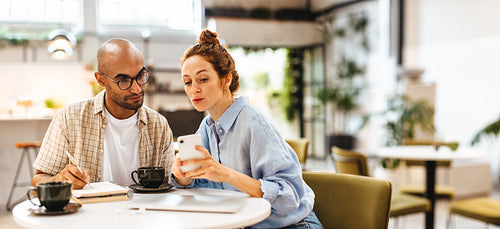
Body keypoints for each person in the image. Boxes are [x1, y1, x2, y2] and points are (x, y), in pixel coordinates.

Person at [170, 29, 323, 229]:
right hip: (246, 223)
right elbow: (201, 185)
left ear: (226, 79)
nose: (193, 89)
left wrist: (225, 174)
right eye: (187, 82)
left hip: (294, 224)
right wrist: (184, 177)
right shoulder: (207, 127)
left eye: (203, 79)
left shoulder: (254, 122)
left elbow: (288, 196)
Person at [32, 38, 175, 189]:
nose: (137, 89)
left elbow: (170, 185)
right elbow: (39, 179)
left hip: (142, 212)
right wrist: (59, 180)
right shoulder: (70, 118)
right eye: (123, 81)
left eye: (140, 76)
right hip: (90, 211)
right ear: (101, 80)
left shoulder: (159, 125)